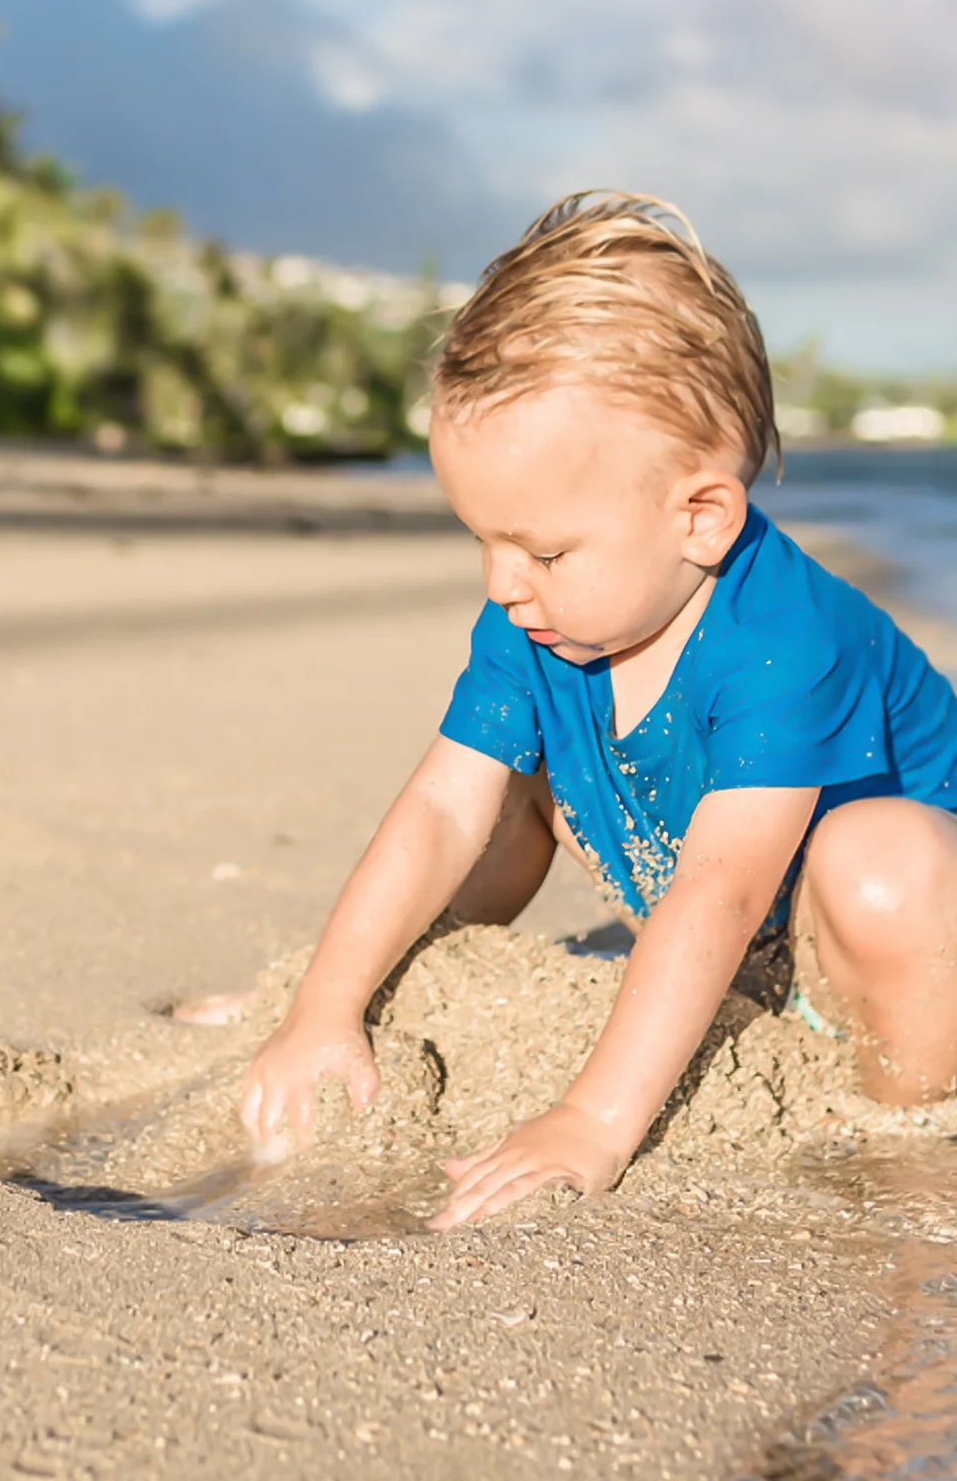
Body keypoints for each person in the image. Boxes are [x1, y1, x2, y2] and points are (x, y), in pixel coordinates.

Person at [229, 191, 957, 1229]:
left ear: (700, 516)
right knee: (504, 779)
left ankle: (904, 1121)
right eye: (481, 539)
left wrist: (593, 1118)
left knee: (882, 863)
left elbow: (716, 892)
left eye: (542, 550)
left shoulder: (784, 636)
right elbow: (440, 809)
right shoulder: (546, 616)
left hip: (891, 945)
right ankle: (396, 973)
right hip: (739, 934)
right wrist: (320, 1008)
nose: (501, 583)